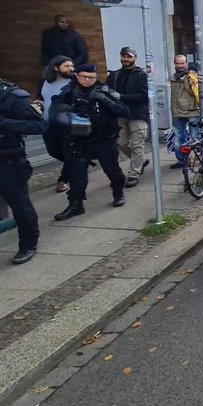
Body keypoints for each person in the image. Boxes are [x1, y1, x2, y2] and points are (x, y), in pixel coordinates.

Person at [48, 64, 128, 220]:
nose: (87, 80)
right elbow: (56, 109)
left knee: (113, 171)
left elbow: (124, 110)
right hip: (79, 139)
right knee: (76, 174)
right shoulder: (69, 92)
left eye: (91, 77)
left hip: (103, 139)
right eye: (84, 77)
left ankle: (118, 193)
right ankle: (75, 205)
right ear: (77, 76)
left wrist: (105, 100)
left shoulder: (104, 90)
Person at [0, 77, 47, 264]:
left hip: (8, 161)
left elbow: (40, 126)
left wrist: (4, 123)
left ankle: (28, 244)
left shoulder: (13, 96)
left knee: (20, 206)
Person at [107, 47, 149, 187]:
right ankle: (141, 161)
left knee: (137, 145)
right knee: (121, 143)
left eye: (129, 56)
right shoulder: (115, 74)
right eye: (123, 56)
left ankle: (134, 174)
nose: (125, 59)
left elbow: (144, 96)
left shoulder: (141, 74)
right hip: (120, 115)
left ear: (134, 58)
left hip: (137, 114)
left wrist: (122, 97)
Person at [38, 55, 74, 193]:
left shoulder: (74, 82)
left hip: (67, 124)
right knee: (53, 151)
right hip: (47, 123)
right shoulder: (44, 82)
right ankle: (77, 164)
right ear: (55, 67)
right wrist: (38, 103)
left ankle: (63, 179)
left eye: (72, 66)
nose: (71, 68)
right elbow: (40, 97)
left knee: (70, 153)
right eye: (67, 66)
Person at [169, 54, 201, 170]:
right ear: (174, 64)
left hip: (192, 111)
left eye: (182, 63)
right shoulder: (173, 77)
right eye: (178, 63)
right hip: (177, 112)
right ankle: (182, 160)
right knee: (178, 138)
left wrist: (192, 76)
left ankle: (201, 158)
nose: (180, 66)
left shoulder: (191, 76)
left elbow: (195, 92)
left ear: (186, 63)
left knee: (195, 137)